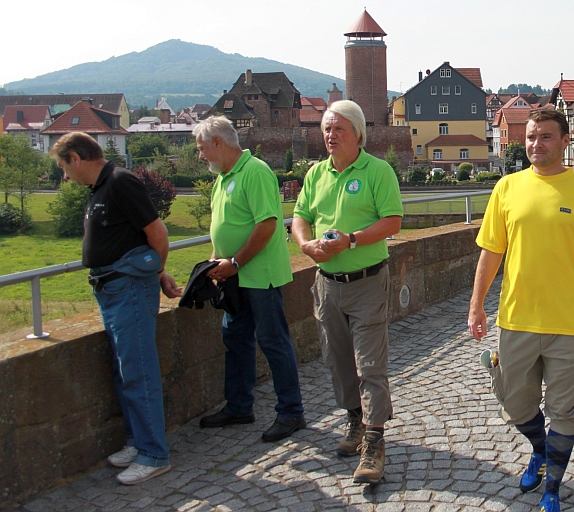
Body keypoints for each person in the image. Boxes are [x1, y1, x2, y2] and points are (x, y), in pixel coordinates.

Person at [469, 108, 574, 512]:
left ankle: (552, 487)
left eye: (546, 137)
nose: (536, 145)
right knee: (514, 401)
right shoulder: (506, 188)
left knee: (564, 410)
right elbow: (491, 251)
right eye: (532, 137)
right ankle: (540, 448)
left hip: (569, 323)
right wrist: (476, 305)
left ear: (565, 141)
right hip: (516, 318)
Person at [49, 132, 181, 485]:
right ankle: (137, 442)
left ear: (76, 158)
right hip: (113, 288)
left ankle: (154, 454)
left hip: (129, 288)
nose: (64, 175)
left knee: (138, 371)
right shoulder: (101, 187)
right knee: (126, 370)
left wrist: (156, 274)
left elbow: (157, 233)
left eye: (63, 167)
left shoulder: (121, 182)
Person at [291, 100, 403, 485]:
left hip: (368, 282)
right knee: (338, 362)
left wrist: (351, 240)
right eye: (326, 128)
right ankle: (355, 421)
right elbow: (300, 218)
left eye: (338, 129)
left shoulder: (377, 170)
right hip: (326, 284)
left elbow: (392, 221)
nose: (330, 135)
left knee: (370, 365)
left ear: (358, 133)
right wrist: (306, 246)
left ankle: (374, 443)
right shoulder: (316, 174)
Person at [194, 116, 306, 443]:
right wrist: (217, 262)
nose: (201, 156)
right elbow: (223, 225)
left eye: (202, 149)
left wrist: (236, 262)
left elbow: (267, 225)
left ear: (218, 142)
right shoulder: (224, 177)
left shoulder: (255, 171)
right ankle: (239, 406)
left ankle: (291, 412)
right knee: (235, 339)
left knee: (273, 342)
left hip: (259, 275)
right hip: (233, 275)